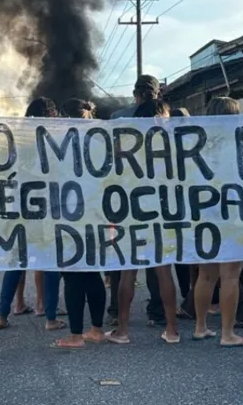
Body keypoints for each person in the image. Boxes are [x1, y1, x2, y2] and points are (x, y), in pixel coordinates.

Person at [107, 98, 181, 345]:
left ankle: (123, 330)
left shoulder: (128, 145)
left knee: (128, 270)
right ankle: (172, 330)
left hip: (133, 209)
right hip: (161, 211)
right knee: (163, 270)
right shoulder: (170, 144)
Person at [0, 97, 63, 332]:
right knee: (50, 262)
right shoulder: (52, 141)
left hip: (20, 209)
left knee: (15, 262)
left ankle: (2, 315)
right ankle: (50, 318)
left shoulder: (17, 140)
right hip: (45, 210)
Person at [191, 97, 243, 346]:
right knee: (230, 275)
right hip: (233, 213)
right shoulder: (238, 143)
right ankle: (227, 333)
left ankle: (200, 326)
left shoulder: (198, 143)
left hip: (205, 214)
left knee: (206, 275)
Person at [106, 75, 162, 324]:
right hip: (157, 196)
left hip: (124, 194)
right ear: (157, 92)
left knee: (124, 257)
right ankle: (158, 312)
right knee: (156, 257)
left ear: (135, 93)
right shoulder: (165, 117)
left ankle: (116, 312)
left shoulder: (118, 118)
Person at [51, 98, 107, 349]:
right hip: (96, 215)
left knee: (72, 276)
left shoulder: (58, 145)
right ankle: (96, 329)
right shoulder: (99, 143)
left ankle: (75, 335)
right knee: (93, 273)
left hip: (68, 216)